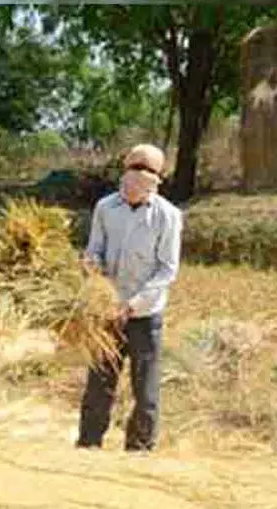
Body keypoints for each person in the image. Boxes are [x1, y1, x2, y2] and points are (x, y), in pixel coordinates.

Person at [76, 144, 183, 452]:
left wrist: (133, 304)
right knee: (99, 382)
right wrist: (91, 265)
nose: (138, 174)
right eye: (134, 166)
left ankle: (140, 448)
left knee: (145, 388)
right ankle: (88, 444)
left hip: (144, 315)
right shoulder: (105, 208)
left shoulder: (168, 216)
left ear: (157, 178)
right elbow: (94, 248)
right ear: (124, 170)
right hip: (106, 310)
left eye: (147, 170)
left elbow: (166, 270)